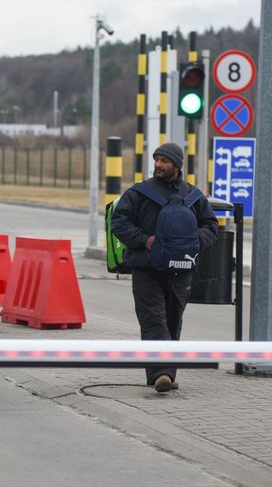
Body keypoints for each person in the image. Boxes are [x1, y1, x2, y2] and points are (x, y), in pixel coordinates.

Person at [111, 142, 218, 393]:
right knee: (153, 320)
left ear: (177, 166)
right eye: (157, 159)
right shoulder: (139, 193)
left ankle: (165, 374)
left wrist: (192, 243)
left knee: (172, 321)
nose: (159, 164)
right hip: (146, 269)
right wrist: (144, 240)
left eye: (165, 161)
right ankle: (161, 374)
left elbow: (211, 226)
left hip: (181, 269)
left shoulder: (194, 196)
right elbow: (119, 221)